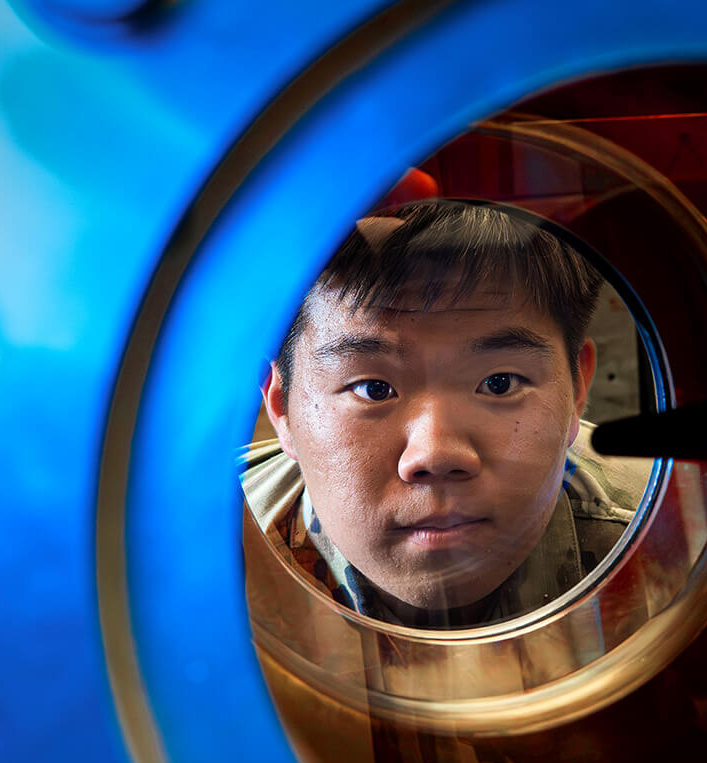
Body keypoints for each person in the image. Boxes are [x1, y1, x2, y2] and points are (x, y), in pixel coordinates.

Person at [242, 199, 648, 628]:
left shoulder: (674, 540)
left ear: (577, 389)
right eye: (374, 389)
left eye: (499, 383)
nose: (435, 455)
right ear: (282, 406)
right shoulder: (199, 569)